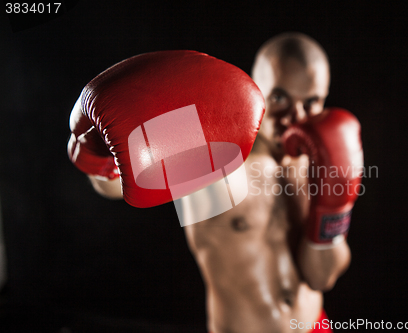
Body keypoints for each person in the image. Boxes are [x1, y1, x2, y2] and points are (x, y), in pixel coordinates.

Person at [68, 34, 363, 333]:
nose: (294, 117)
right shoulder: (215, 151)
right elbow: (113, 185)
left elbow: (321, 278)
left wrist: (332, 211)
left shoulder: (320, 157)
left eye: (311, 102)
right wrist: (97, 160)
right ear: (256, 87)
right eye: (280, 97)